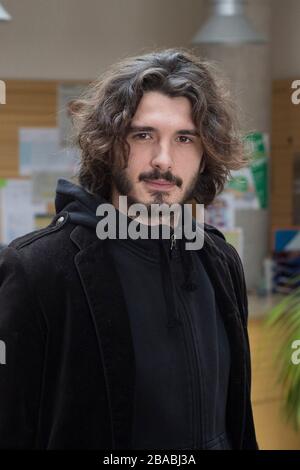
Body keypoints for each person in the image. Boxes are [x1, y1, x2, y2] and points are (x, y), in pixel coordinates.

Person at [0, 48, 258, 450]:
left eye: (185, 138)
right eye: (143, 135)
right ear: (108, 143)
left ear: (207, 153)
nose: (163, 159)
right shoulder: (40, 269)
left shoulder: (220, 263)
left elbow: (238, 420)